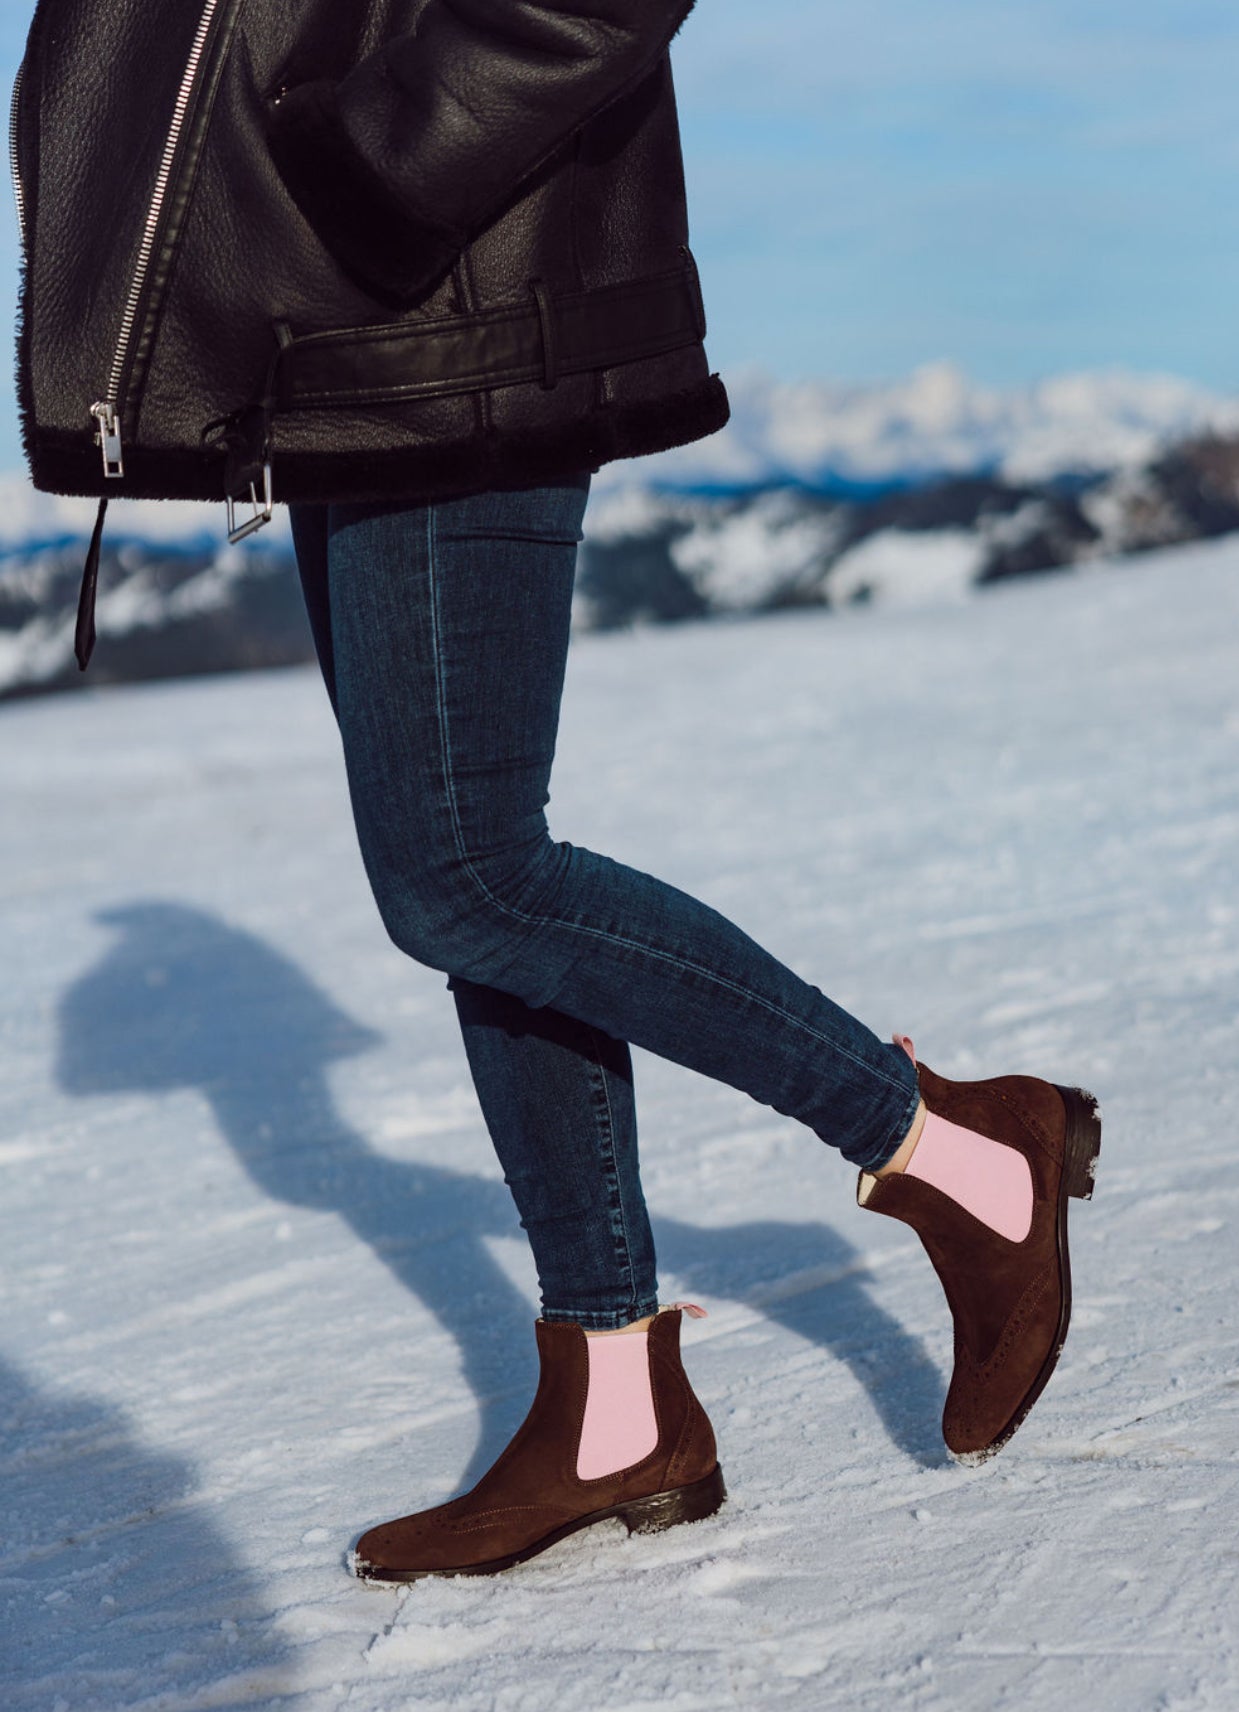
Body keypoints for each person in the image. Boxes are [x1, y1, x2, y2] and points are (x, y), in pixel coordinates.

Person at [16, 0, 1098, 1583]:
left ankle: (958, 1153)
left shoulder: (386, 197)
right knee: (476, 888)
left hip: (448, 298)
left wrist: (377, 160)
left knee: (465, 871)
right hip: (344, 331)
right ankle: (612, 1398)